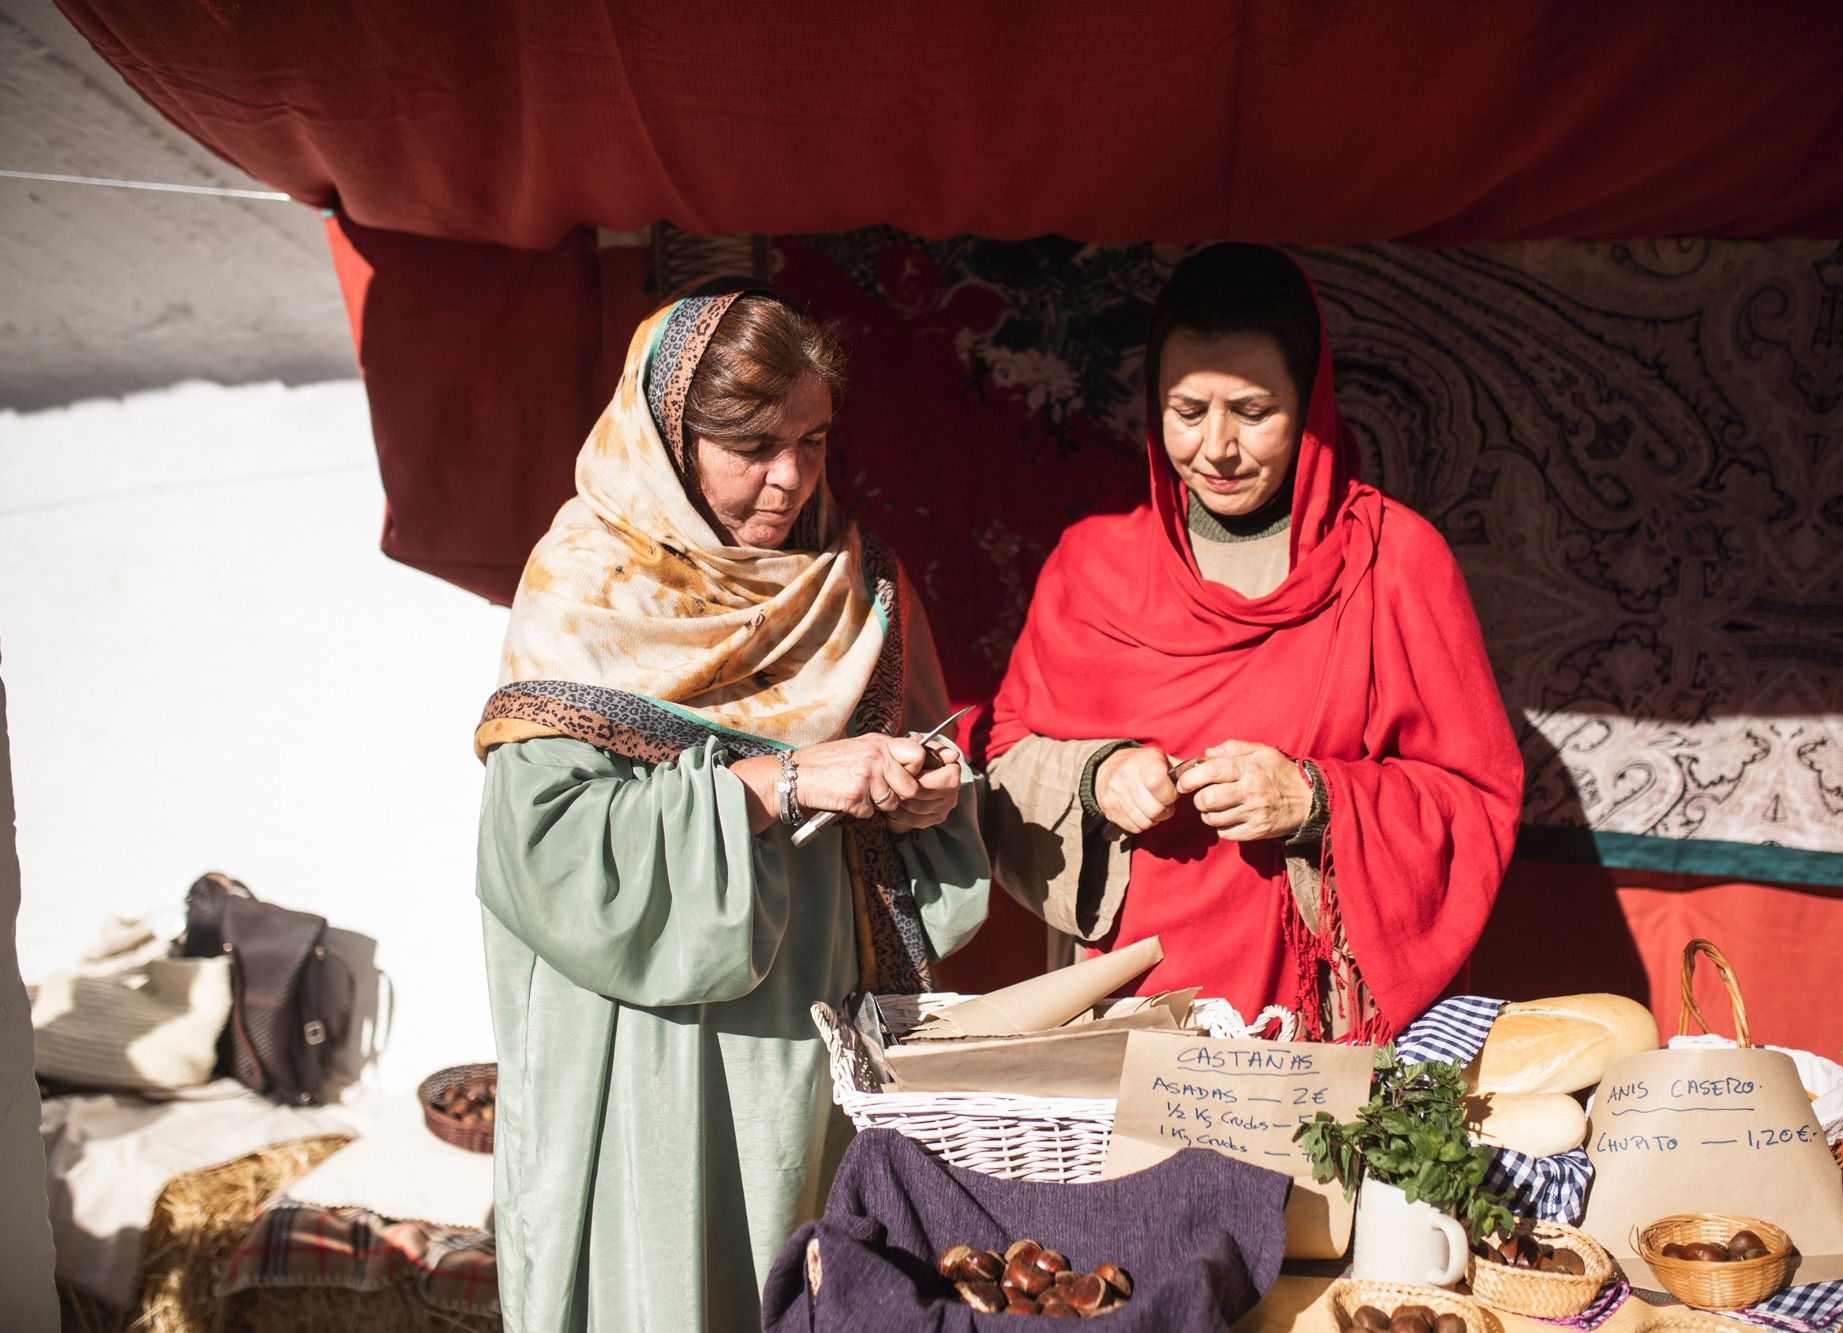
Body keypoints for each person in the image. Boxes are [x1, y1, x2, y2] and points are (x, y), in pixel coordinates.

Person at [473, 279, 990, 1332]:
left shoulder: (855, 585)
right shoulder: (585, 590)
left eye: (813, 440)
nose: (791, 476)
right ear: (670, 441)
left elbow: (925, 786)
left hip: (814, 1048)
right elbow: (542, 850)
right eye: (752, 446)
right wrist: (783, 781)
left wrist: (923, 796)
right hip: (642, 1050)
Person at [983, 243, 1520, 1043]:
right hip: (1125, 1020)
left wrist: (1313, 799)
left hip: (1322, 1024)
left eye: (1254, 411)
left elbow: (1474, 800)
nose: (1218, 449)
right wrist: (1096, 776)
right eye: (1187, 411)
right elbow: (1003, 759)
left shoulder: (1393, 562)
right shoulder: (1093, 565)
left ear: (1310, 401)